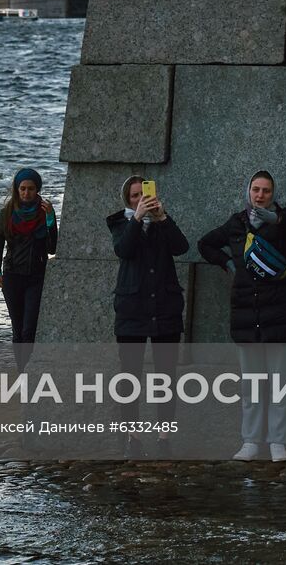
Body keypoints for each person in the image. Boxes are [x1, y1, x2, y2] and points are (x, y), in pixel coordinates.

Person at [198, 170, 286, 463]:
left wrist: (273, 219)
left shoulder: (283, 220)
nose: (260, 195)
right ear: (248, 191)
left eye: (266, 191)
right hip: (247, 313)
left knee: (280, 383)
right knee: (251, 384)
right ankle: (251, 440)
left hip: (280, 313)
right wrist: (227, 263)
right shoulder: (237, 222)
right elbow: (205, 244)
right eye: (256, 190)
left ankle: (278, 442)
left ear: (273, 194)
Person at [108, 176, 188, 457]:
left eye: (144, 194)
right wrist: (137, 219)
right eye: (134, 196)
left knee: (166, 375)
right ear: (127, 200)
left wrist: (162, 217)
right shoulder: (120, 223)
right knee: (130, 376)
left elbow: (181, 247)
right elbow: (123, 250)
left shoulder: (163, 222)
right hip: (132, 309)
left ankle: (165, 434)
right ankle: (132, 433)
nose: (140, 199)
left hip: (165, 308)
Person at [0, 167, 57, 368]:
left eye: (31, 188)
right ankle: (22, 371)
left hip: (36, 277)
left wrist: (51, 221)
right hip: (11, 277)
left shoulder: (44, 213)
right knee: (17, 329)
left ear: (38, 190)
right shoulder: (5, 215)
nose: (26, 193)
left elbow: (52, 248)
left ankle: (28, 369)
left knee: (30, 329)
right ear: (16, 190)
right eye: (22, 188)